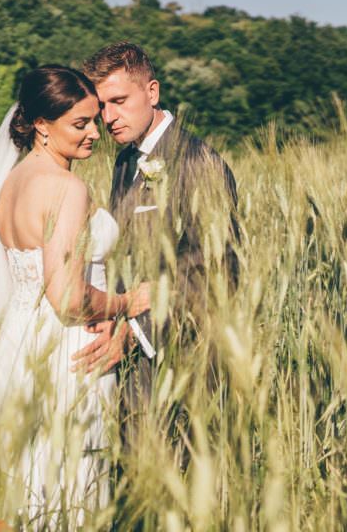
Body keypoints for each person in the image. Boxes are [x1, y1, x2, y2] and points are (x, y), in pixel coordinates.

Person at [0, 65, 151, 527]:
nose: (96, 132)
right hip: (66, 351)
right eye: (80, 124)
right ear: (40, 125)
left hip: (18, 345)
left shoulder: (12, 183)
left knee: (26, 483)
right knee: (71, 485)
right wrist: (128, 302)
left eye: (94, 119)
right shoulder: (67, 188)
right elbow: (68, 299)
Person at [72, 42, 239, 444]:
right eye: (102, 106)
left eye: (119, 101)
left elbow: (217, 274)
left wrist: (134, 333)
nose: (109, 118)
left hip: (183, 366)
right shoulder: (125, 160)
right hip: (129, 370)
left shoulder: (198, 163)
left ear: (152, 92)